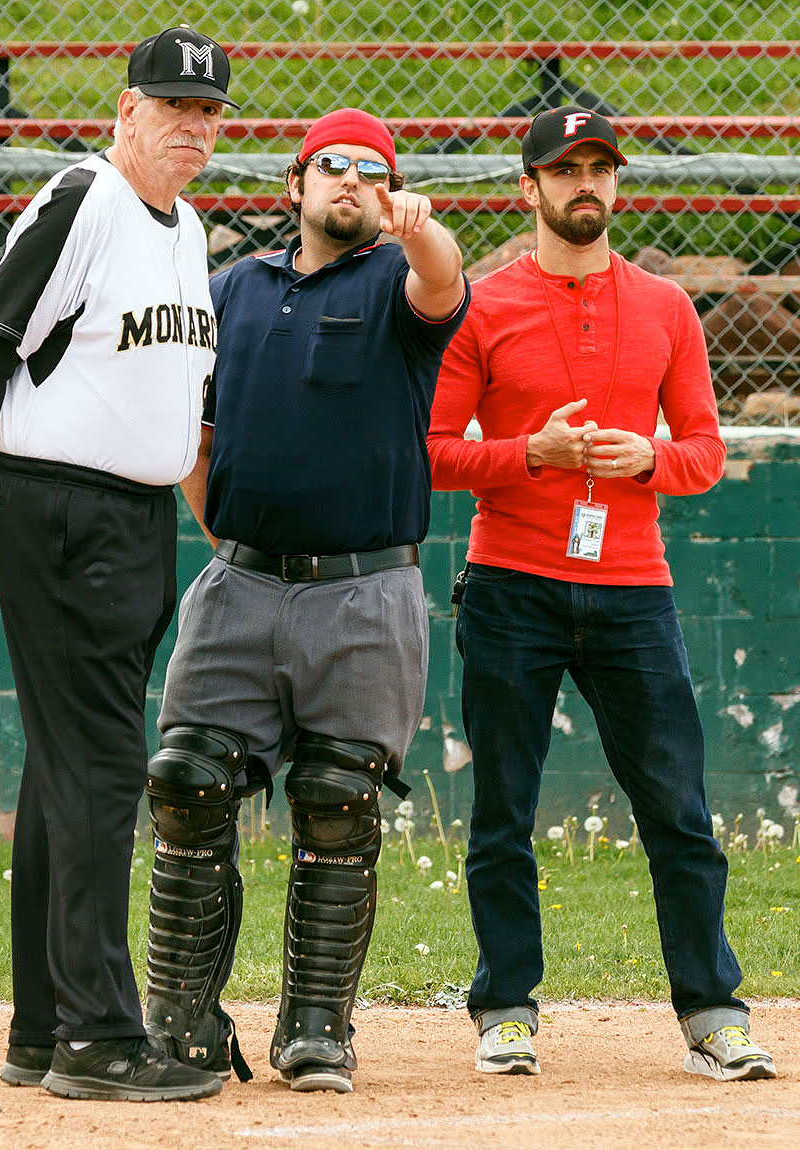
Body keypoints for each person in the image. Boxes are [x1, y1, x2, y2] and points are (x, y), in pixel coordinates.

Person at [427, 106, 776, 1082]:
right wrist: (525, 454)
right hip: (509, 586)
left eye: (601, 168)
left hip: (633, 589)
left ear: (617, 184)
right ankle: (506, 1006)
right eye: (566, 168)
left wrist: (648, 458)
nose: (587, 183)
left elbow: (705, 451)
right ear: (527, 185)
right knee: (503, 809)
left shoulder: (667, 308)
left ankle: (713, 1011)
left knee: (679, 811)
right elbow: (433, 450)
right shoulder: (483, 306)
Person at [142, 106, 469, 1094]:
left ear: (390, 191)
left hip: (365, 589)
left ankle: (315, 1030)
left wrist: (419, 229)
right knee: (188, 782)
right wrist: (229, 540)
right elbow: (190, 432)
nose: (353, 181)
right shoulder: (232, 289)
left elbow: (445, 278)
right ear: (295, 184)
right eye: (333, 165)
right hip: (239, 582)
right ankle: (183, 1025)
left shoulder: (401, 290)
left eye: (374, 170)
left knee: (337, 802)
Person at [0, 26, 239, 1102]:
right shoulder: (85, 200)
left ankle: (39, 1027)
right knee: (101, 770)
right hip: (61, 510)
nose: (192, 128)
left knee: (63, 765)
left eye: (208, 112)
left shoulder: (188, 229)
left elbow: (177, 406)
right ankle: (97, 1035)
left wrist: (216, 528)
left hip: (133, 517)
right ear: (125, 111)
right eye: (172, 107)